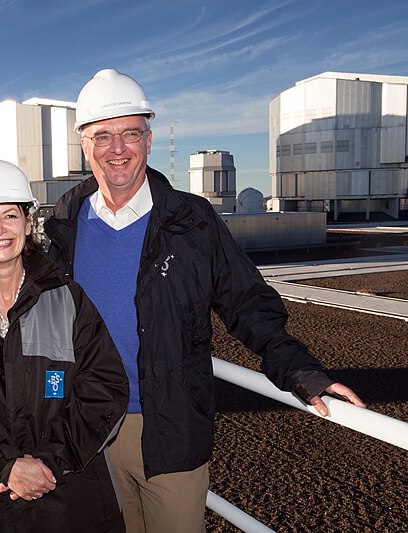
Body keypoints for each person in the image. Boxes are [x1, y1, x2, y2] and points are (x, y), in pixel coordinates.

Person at [43, 69, 366, 532]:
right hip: (86, 428)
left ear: (149, 139)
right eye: (103, 136)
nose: (117, 149)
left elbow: (247, 302)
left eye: (130, 133)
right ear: (83, 145)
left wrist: (301, 371)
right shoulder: (65, 224)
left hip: (170, 427)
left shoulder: (190, 221)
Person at [0, 157, 129, 532]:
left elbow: (104, 389)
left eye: (10, 216)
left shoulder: (67, 298)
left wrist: (47, 462)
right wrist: (8, 465)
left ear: (28, 223)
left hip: (66, 494)